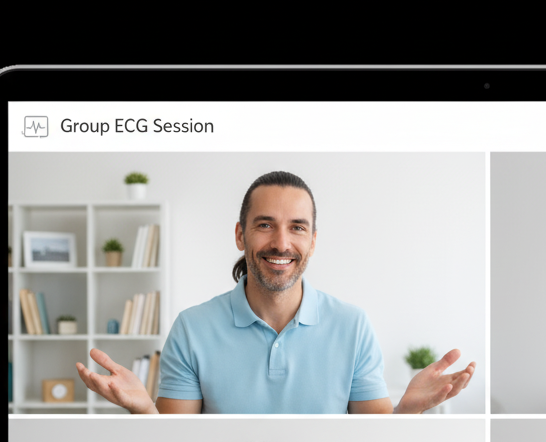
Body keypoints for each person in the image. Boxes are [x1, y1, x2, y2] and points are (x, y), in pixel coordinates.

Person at [77, 171, 475, 414]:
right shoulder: (192, 328)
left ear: (313, 241)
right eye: (265, 225)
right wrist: (145, 410)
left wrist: (406, 412)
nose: (281, 243)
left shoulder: (352, 326)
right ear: (240, 234)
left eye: (297, 227)